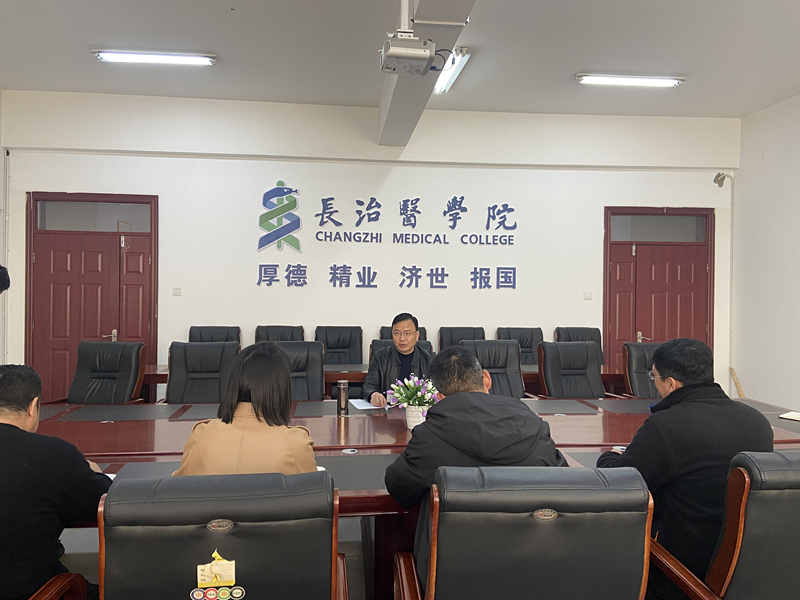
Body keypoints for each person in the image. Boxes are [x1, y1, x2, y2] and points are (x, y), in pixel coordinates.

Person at [596, 338, 773, 600]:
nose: (654, 385)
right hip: (749, 567)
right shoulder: (758, 422)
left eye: (654, 378)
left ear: (671, 383)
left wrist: (609, 456)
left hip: (680, 573)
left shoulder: (666, 426)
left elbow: (621, 482)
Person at [384, 346, 567, 507]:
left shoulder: (428, 438)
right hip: (532, 535)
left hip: (456, 537)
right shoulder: (533, 425)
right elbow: (565, 481)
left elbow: (398, 487)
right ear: (486, 379)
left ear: (439, 397)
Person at [0, 365, 111, 600]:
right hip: (35, 592)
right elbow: (106, 503)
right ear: (33, 407)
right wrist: (94, 472)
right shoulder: (53, 455)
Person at [173, 342, 317, 476]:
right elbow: (313, 492)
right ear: (282, 391)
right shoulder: (296, 446)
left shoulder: (201, 439)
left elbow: (178, 491)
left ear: (232, 384)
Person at [366, 313, 432, 407]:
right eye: (396, 333)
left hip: (417, 412)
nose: (402, 338)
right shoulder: (380, 357)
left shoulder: (427, 360)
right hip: (387, 410)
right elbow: (369, 386)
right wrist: (373, 394)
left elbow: (434, 389)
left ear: (417, 335)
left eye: (407, 333)